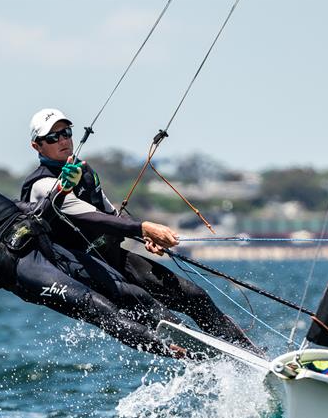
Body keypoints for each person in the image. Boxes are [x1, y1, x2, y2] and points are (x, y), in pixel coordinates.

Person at [0, 142, 187, 358]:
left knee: (129, 292)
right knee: (98, 307)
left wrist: (63, 189)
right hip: (21, 265)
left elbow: (37, 211)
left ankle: (186, 337)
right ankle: (169, 349)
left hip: (46, 245)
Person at [20, 108, 257, 351]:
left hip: (116, 258)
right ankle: (217, 366)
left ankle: (252, 355)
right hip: (86, 273)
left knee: (194, 296)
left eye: (66, 132)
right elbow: (92, 218)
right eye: (52, 137)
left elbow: (110, 215)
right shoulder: (42, 185)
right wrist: (143, 228)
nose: (63, 140)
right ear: (37, 146)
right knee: (168, 322)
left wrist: (141, 237)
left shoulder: (85, 171)